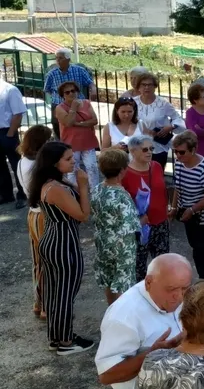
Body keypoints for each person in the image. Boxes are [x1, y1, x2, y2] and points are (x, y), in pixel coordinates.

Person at [29, 141, 96, 355]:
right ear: (54, 163)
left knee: (55, 293)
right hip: (63, 244)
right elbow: (83, 215)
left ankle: (56, 337)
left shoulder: (52, 183)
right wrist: (83, 185)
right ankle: (66, 342)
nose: (73, 161)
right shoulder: (56, 188)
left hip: (54, 241)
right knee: (65, 294)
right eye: (68, 159)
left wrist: (78, 185)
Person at [96, 253, 193, 389]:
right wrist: (153, 356)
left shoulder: (173, 291)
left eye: (185, 288)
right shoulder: (123, 316)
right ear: (148, 283)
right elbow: (107, 376)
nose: (179, 297)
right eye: (171, 289)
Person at [170, 131, 204, 284]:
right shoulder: (180, 164)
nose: (178, 156)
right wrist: (174, 208)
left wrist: (192, 209)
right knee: (195, 246)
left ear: (193, 150)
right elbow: (177, 187)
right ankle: (203, 278)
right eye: (175, 152)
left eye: (182, 152)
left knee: (203, 247)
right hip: (187, 213)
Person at [92, 149, 141, 305]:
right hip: (122, 245)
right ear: (122, 170)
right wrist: (144, 220)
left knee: (108, 278)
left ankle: (111, 310)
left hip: (103, 241)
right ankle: (122, 315)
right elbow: (130, 225)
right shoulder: (121, 195)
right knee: (123, 283)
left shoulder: (97, 189)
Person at [16, 124, 53, 320]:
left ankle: (39, 303)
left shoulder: (23, 161)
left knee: (38, 261)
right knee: (47, 262)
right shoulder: (37, 166)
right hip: (43, 215)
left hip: (33, 214)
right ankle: (45, 305)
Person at [122, 135, 170, 282]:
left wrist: (167, 209)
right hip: (139, 226)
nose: (149, 152)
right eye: (144, 149)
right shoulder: (125, 173)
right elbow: (123, 203)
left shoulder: (156, 166)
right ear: (132, 151)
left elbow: (162, 190)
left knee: (163, 264)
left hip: (160, 223)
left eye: (151, 148)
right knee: (138, 267)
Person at [135, 72, 185, 170]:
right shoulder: (133, 102)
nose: (146, 87)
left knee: (156, 174)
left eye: (150, 85)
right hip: (138, 147)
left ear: (155, 87)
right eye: (143, 85)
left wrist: (171, 127)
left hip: (158, 148)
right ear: (139, 87)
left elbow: (177, 118)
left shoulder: (163, 103)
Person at [55, 80, 100, 186]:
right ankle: (74, 191)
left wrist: (79, 124)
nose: (71, 93)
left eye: (73, 91)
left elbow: (94, 121)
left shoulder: (86, 103)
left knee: (92, 167)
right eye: (67, 92)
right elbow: (69, 123)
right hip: (71, 143)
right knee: (72, 170)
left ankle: (95, 191)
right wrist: (73, 108)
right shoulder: (60, 108)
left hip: (87, 141)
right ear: (63, 95)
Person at [43, 48, 95, 139]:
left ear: (68, 59)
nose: (57, 60)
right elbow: (47, 89)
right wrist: (57, 97)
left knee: (80, 128)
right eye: (56, 58)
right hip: (59, 104)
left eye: (60, 58)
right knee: (59, 129)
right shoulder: (52, 74)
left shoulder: (79, 70)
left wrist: (93, 90)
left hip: (78, 103)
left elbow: (90, 83)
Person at [0, 77, 27, 207]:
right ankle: (6, 195)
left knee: (16, 165)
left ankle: (22, 195)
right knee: (0, 166)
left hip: (7, 131)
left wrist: (10, 134)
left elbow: (18, 114)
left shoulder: (10, 90)